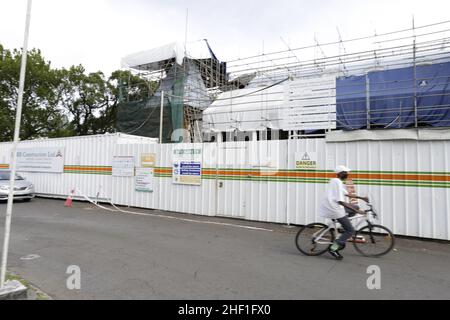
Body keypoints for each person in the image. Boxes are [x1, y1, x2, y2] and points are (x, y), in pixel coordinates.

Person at [318, 165, 369, 260]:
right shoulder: (337, 182)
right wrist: (357, 211)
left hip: (333, 207)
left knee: (355, 206)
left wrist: (362, 198)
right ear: (341, 173)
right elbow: (341, 201)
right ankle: (333, 249)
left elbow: (346, 194)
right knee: (351, 230)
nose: (347, 174)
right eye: (346, 173)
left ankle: (343, 227)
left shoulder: (336, 181)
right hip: (334, 209)